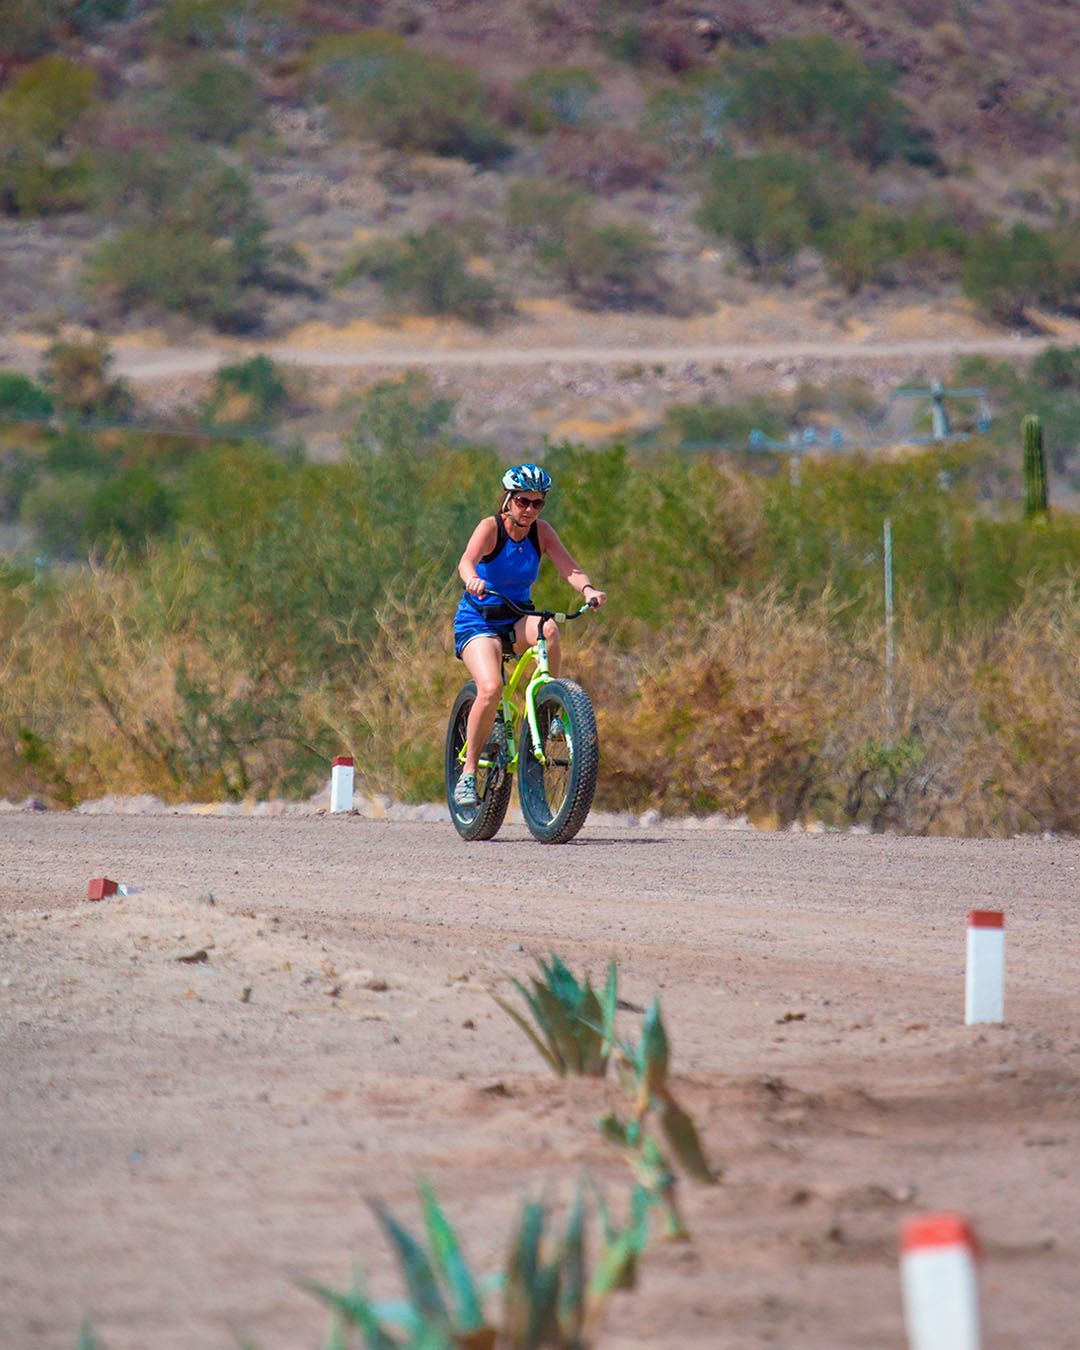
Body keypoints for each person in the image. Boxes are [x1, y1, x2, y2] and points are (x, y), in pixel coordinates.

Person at [452, 463, 606, 807]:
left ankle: (550, 709)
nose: (530, 510)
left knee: (549, 628)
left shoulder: (542, 532)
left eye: (538, 503)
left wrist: (588, 591)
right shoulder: (490, 527)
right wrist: (472, 580)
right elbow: (466, 561)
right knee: (491, 688)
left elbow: (570, 568)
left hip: (516, 616)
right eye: (523, 501)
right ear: (508, 499)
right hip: (478, 619)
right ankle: (468, 773)